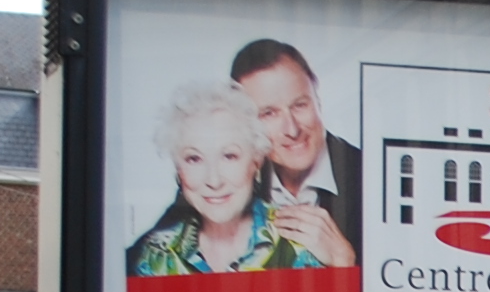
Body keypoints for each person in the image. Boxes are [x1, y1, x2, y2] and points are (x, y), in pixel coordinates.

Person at [144, 40, 361, 268]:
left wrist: (346, 262)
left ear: (317, 98)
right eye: (269, 113)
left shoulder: (372, 173)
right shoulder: (232, 175)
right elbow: (138, 261)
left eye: (299, 105)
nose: (292, 129)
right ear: (246, 122)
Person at [129, 85, 324, 276]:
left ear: (256, 161)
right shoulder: (157, 255)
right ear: (179, 170)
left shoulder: (299, 240)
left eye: (229, 156)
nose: (214, 181)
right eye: (194, 159)